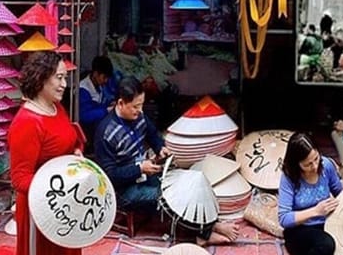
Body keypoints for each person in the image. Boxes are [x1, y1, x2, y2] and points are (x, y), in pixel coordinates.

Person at [95, 76, 238, 245]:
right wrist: (139, 168)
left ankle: (210, 226)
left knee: (181, 187)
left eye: (141, 105)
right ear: (120, 103)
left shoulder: (138, 116)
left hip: (144, 175)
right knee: (167, 197)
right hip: (123, 190)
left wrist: (160, 147)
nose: (140, 110)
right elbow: (109, 175)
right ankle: (203, 233)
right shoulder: (105, 133)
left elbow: (153, 134)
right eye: (135, 106)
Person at [8, 51, 86, 255]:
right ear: (41, 78)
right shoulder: (26, 122)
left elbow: (67, 143)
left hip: (65, 211)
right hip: (41, 216)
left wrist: (75, 154)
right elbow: (19, 178)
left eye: (66, 77)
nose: (65, 84)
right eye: (60, 77)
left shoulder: (56, 109)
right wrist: (54, 191)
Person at [78, 55, 115, 139]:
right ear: (95, 74)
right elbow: (84, 116)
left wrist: (111, 103)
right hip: (88, 132)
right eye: (104, 77)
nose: (106, 81)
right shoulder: (83, 90)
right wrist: (106, 110)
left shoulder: (102, 85)